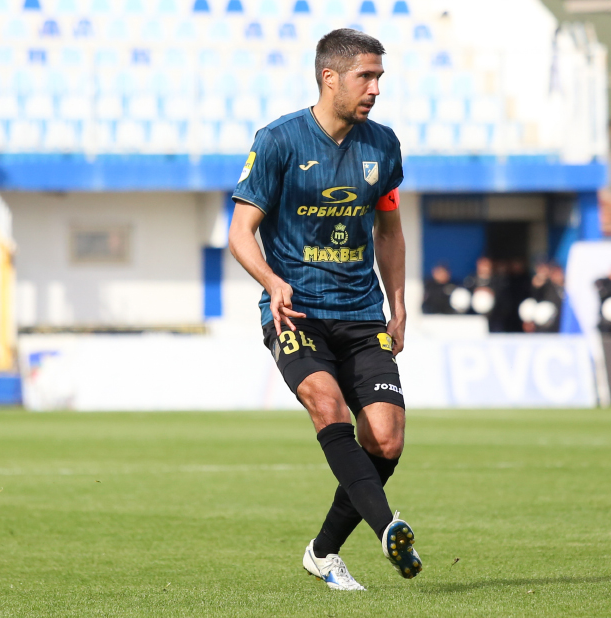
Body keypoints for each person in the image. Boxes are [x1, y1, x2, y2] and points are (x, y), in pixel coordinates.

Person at [228, 29, 420, 592]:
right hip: (297, 312)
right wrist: (272, 281)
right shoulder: (279, 141)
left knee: (386, 438)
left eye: (379, 77)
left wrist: (398, 304)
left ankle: (323, 551)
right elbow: (240, 232)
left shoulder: (383, 146)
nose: (376, 89)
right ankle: (389, 528)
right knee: (327, 404)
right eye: (366, 76)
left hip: (361, 312)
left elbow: (390, 231)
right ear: (329, 77)